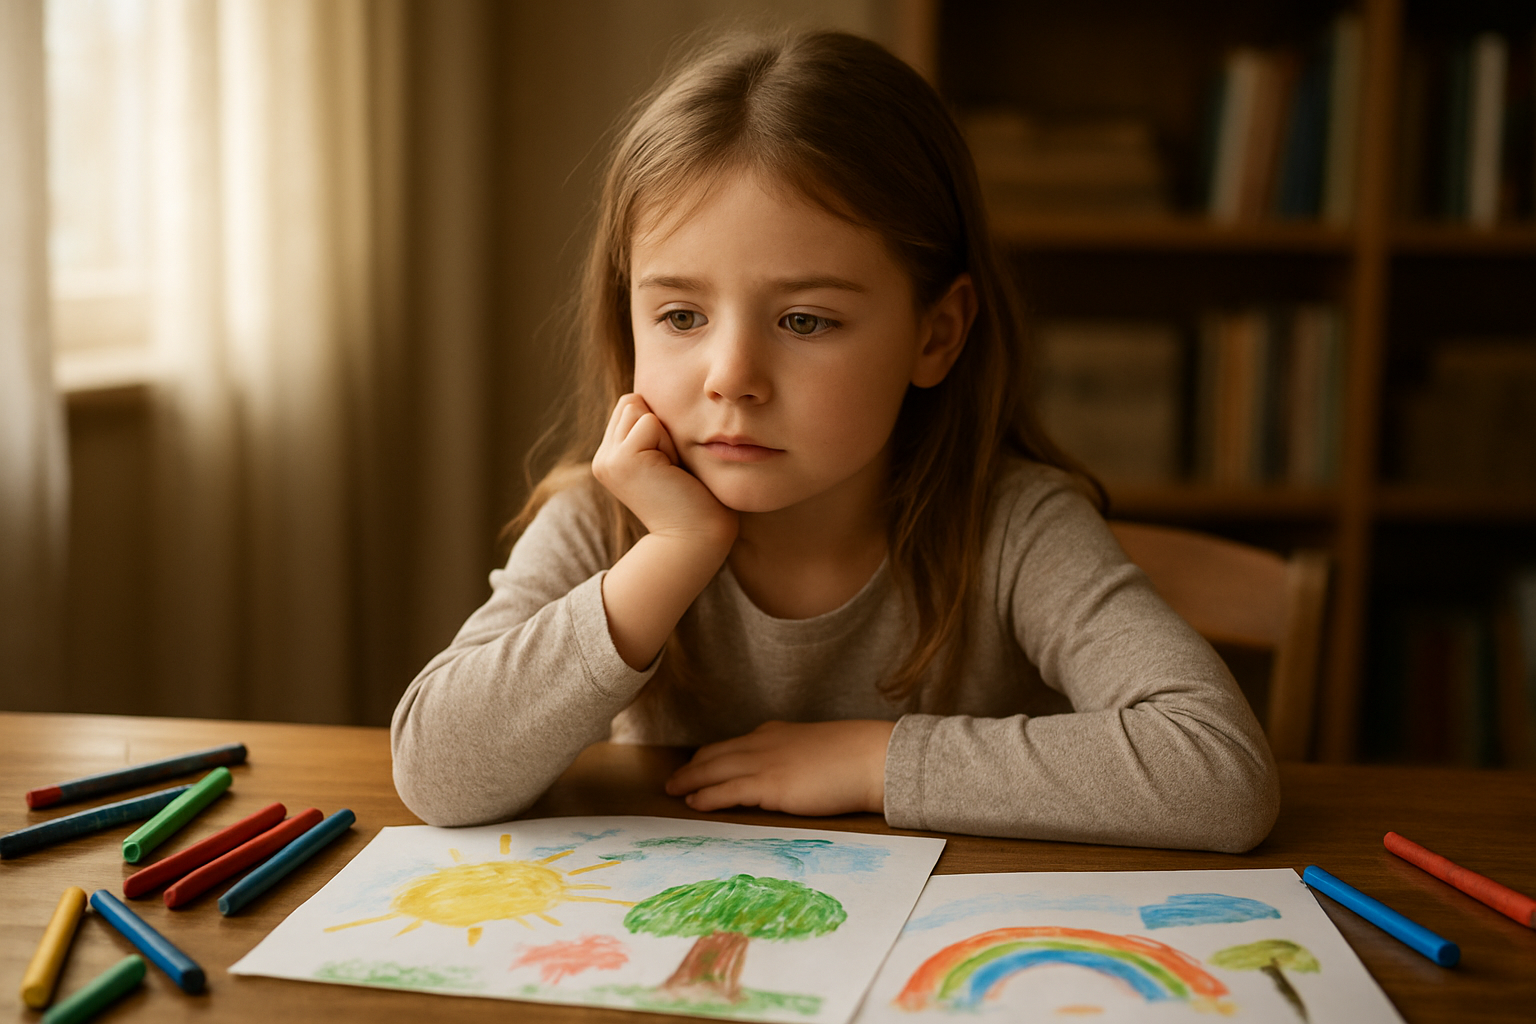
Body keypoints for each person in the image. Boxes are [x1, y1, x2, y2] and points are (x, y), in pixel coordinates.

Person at [391, 30, 1279, 852]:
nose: (731, 375)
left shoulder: (1014, 528)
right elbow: (437, 770)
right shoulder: (604, 524)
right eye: (681, 315)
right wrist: (676, 552)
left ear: (936, 335)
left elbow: (1218, 772)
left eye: (806, 319)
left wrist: (873, 760)